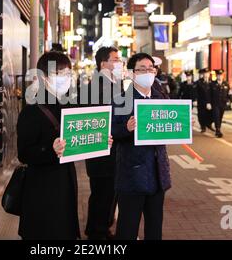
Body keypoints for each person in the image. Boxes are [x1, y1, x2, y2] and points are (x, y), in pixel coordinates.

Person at [17, 51, 113, 240]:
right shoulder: (31, 111)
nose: (66, 79)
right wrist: (49, 150)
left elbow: (81, 136)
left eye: (68, 74)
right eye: (59, 74)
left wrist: (100, 140)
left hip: (66, 182)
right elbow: (24, 154)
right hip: (41, 188)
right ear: (43, 78)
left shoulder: (69, 105)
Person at [112, 53, 172, 240]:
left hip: (157, 174)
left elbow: (169, 123)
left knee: (155, 228)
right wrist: (126, 128)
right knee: (127, 228)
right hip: (132, 176)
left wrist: (184, 121)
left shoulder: (160, 97)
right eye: (142, 69)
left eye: (151, 69)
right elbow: (111, 130)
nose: (148, 72)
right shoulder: (121, 99)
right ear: (132, 73)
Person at [82, 46, 121, 240]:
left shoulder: (113, 84)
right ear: (103, 63)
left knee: (107, 193)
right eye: (115, 59)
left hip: (109, 150)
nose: (119, 62)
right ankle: (97, 232)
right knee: (102, 193)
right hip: (101, 151)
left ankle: (101, 228)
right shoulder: (98, 86)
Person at [210, 70, 230, 138]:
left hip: (223, 104)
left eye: (221, 75)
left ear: (223, 76)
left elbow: (229, 94)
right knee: (216, 116)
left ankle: (218, 128)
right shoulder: (212, 84)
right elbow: (209, 95)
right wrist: (208, 103)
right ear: (216, 76)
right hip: (215, 104)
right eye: (218, 75)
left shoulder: (226, 84)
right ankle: (218, 130)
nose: (219, 76)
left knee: (220, 117)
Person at [195, 68, 213, 133]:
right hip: (201, 101)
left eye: (207, 73)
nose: (206, 75)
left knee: (210, 114)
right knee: (201, 115)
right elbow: (196, 92)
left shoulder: (212, 82)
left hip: (210, 102)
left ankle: (209, 124)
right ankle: (203, 127)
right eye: (205, 73)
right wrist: (195, 100)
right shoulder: (198, 82)